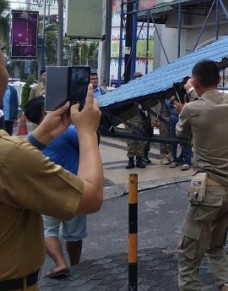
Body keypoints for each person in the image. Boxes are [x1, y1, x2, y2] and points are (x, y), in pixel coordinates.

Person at [0, 49, 103, 289]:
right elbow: (91, 197)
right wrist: (87, 131)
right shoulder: (10, 155)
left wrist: (40, 136)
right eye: (5, 64)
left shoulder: (12, 154)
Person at [172, 59, 228, 291]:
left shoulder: (192, 110)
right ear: (220, 79)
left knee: (188, 254)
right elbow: (210, 106)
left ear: (195, 81)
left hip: (208, 194)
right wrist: (194, 91)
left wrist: (189, 95)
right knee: (215, 247)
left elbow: (181, 130)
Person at [24, 97, 88, 279]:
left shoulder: (34, 137)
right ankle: (75, 266)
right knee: (74, 234)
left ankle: (60, 263)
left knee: (47, 230)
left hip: (47, 190)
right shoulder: (68, 132)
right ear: (46, 113)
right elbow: (89, 143)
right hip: (73, 188)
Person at [124, 72, 149, 169]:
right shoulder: (129, 91)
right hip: (130, 117)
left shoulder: (145, 90)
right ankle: (131, 160)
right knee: (130, 140)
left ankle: (139, 160)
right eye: (136, 78)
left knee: (141, 141)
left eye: (139, 78)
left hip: (141, 118)